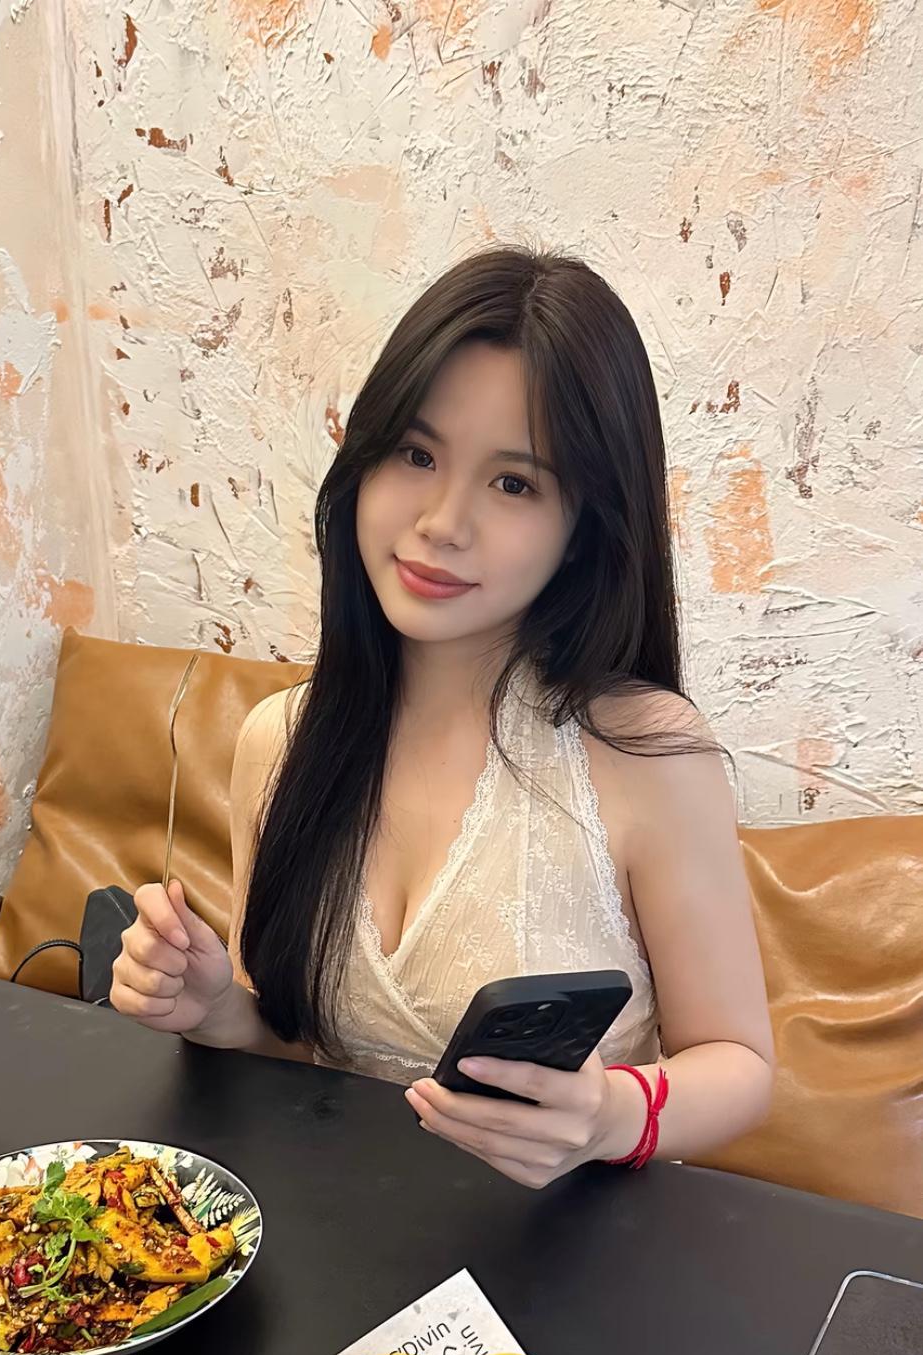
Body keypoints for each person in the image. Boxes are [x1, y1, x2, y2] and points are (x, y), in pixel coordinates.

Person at [111, 246, 774, 1189]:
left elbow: (740, 1065)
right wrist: (215, 1009)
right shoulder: (280, 741)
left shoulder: (647, 752)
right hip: (337, 1235)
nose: (442, 522)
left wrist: (610, 1114)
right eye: (416, 455)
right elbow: (298, 1050)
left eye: (514, 483)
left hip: (563, 1250)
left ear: (584, 528)